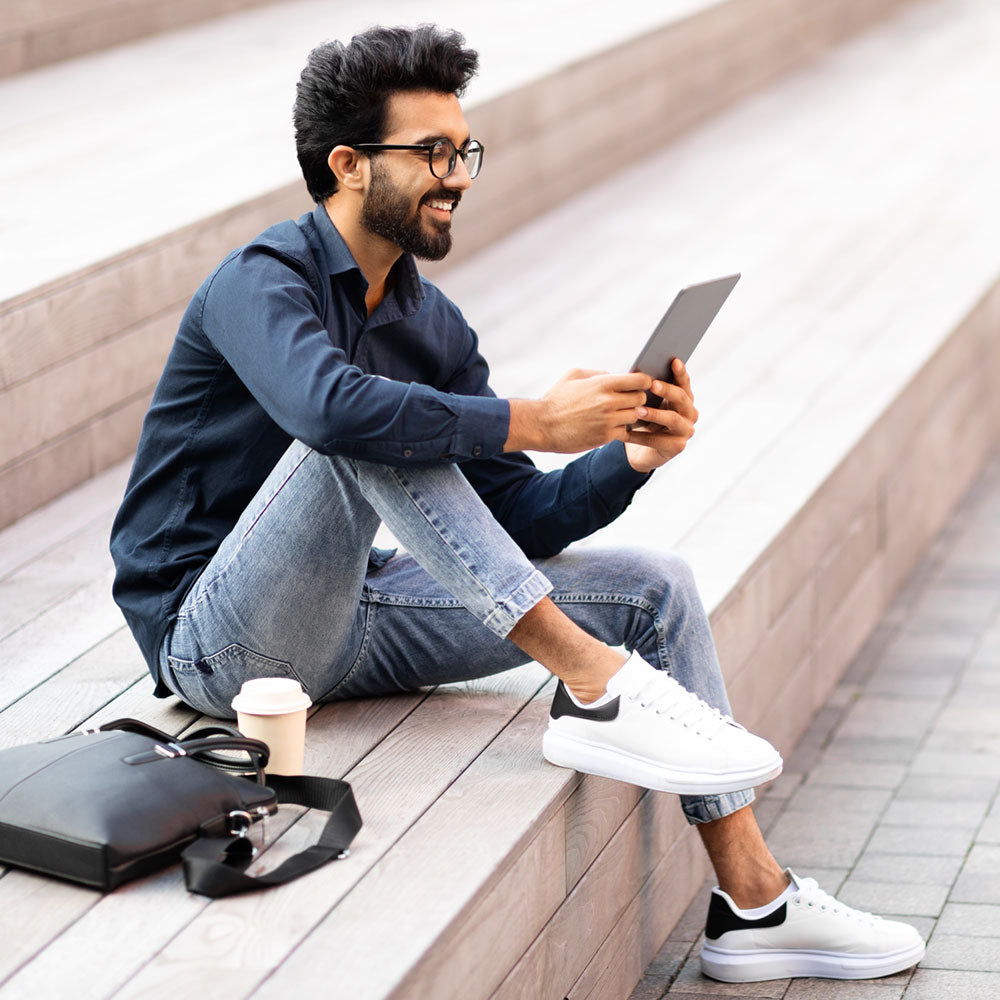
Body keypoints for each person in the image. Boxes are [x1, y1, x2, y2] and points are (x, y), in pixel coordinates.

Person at [109, 24, 924, 983]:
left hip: (354, 618)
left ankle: (756, 901)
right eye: (432, 153)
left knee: (653, 588)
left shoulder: (429, 322)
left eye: (465, 152)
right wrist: (532, 417)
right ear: (347, 165)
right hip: (216, 644)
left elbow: (513, 522)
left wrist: (625, 459)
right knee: (356, 426)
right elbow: (328, 411)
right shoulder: (260, 282)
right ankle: (596, 684)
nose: (456, 174)